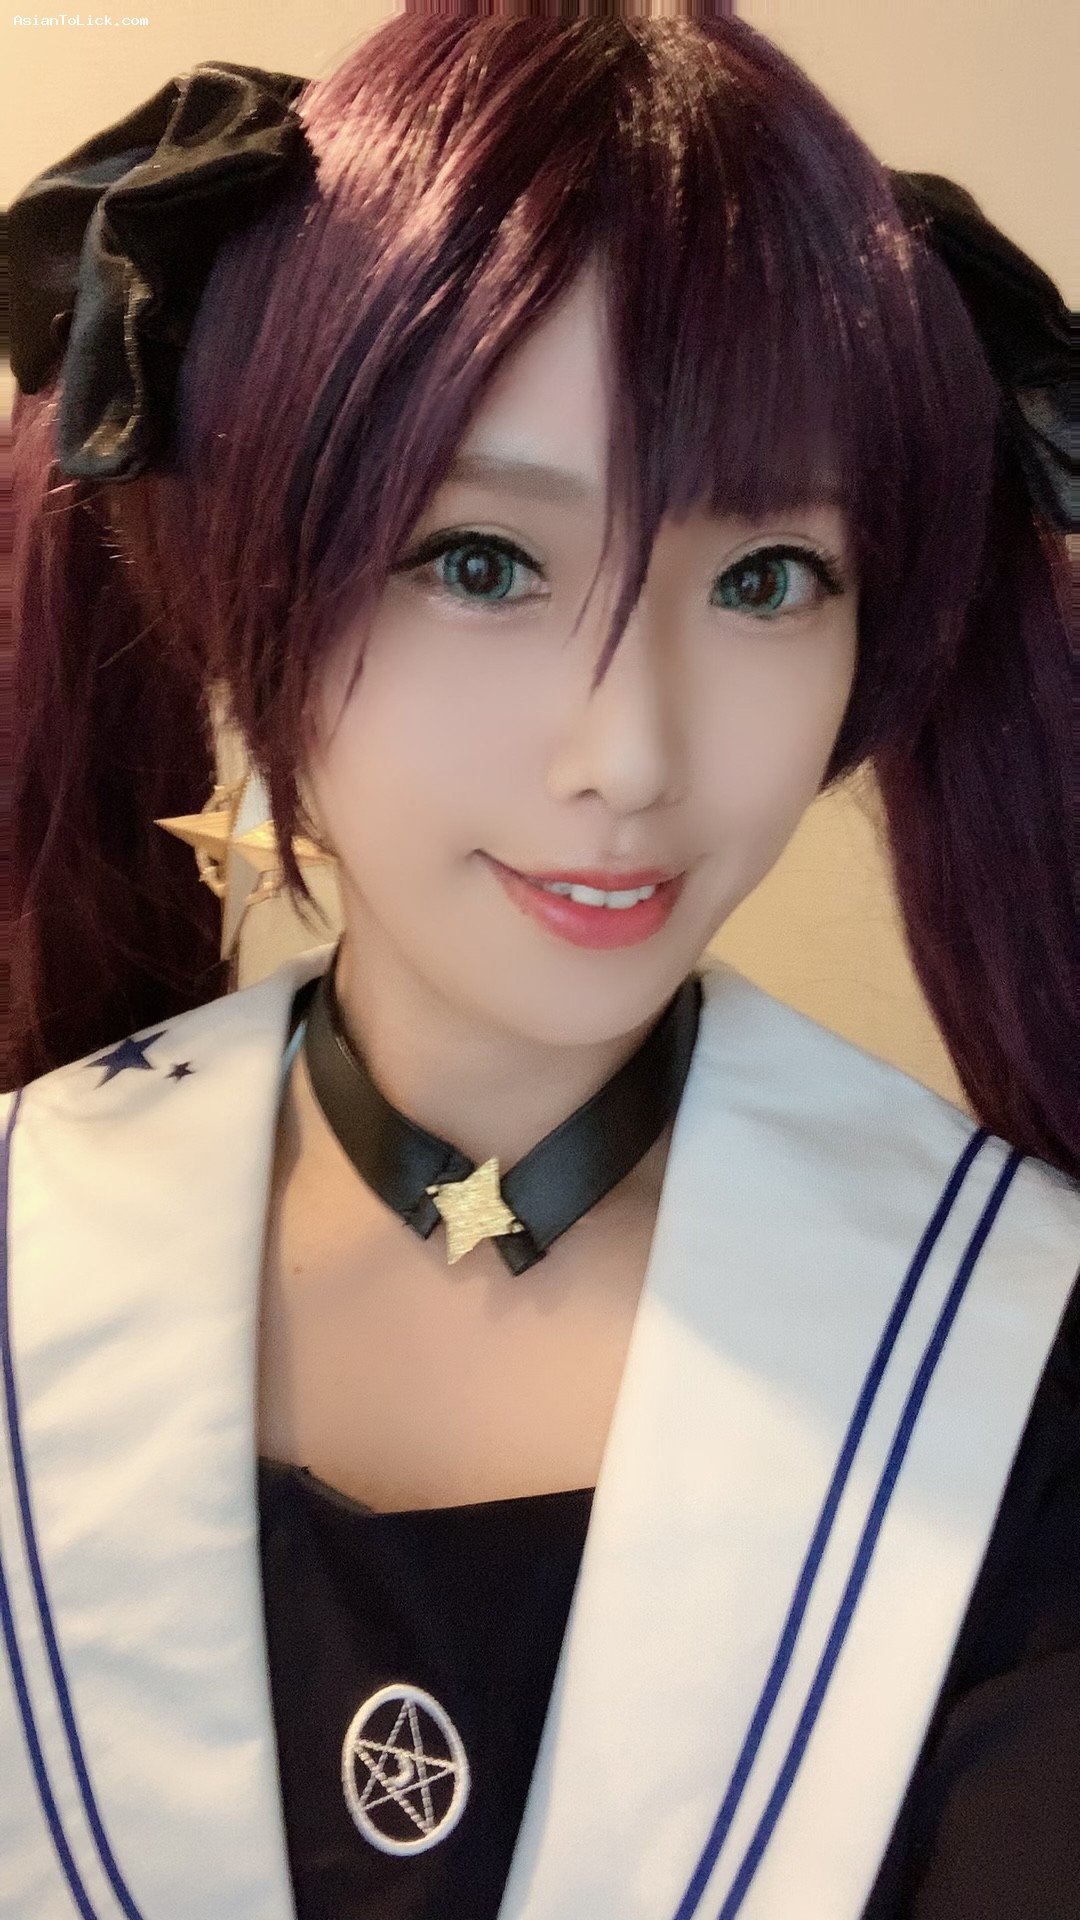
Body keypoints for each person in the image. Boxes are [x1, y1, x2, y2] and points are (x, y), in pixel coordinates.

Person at [4, 8, 1078, 1918]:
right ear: (244, 576)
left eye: (766, 579)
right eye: (483, 562)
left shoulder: (1010, 1341)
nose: (633, 756)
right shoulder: (34, 1235)